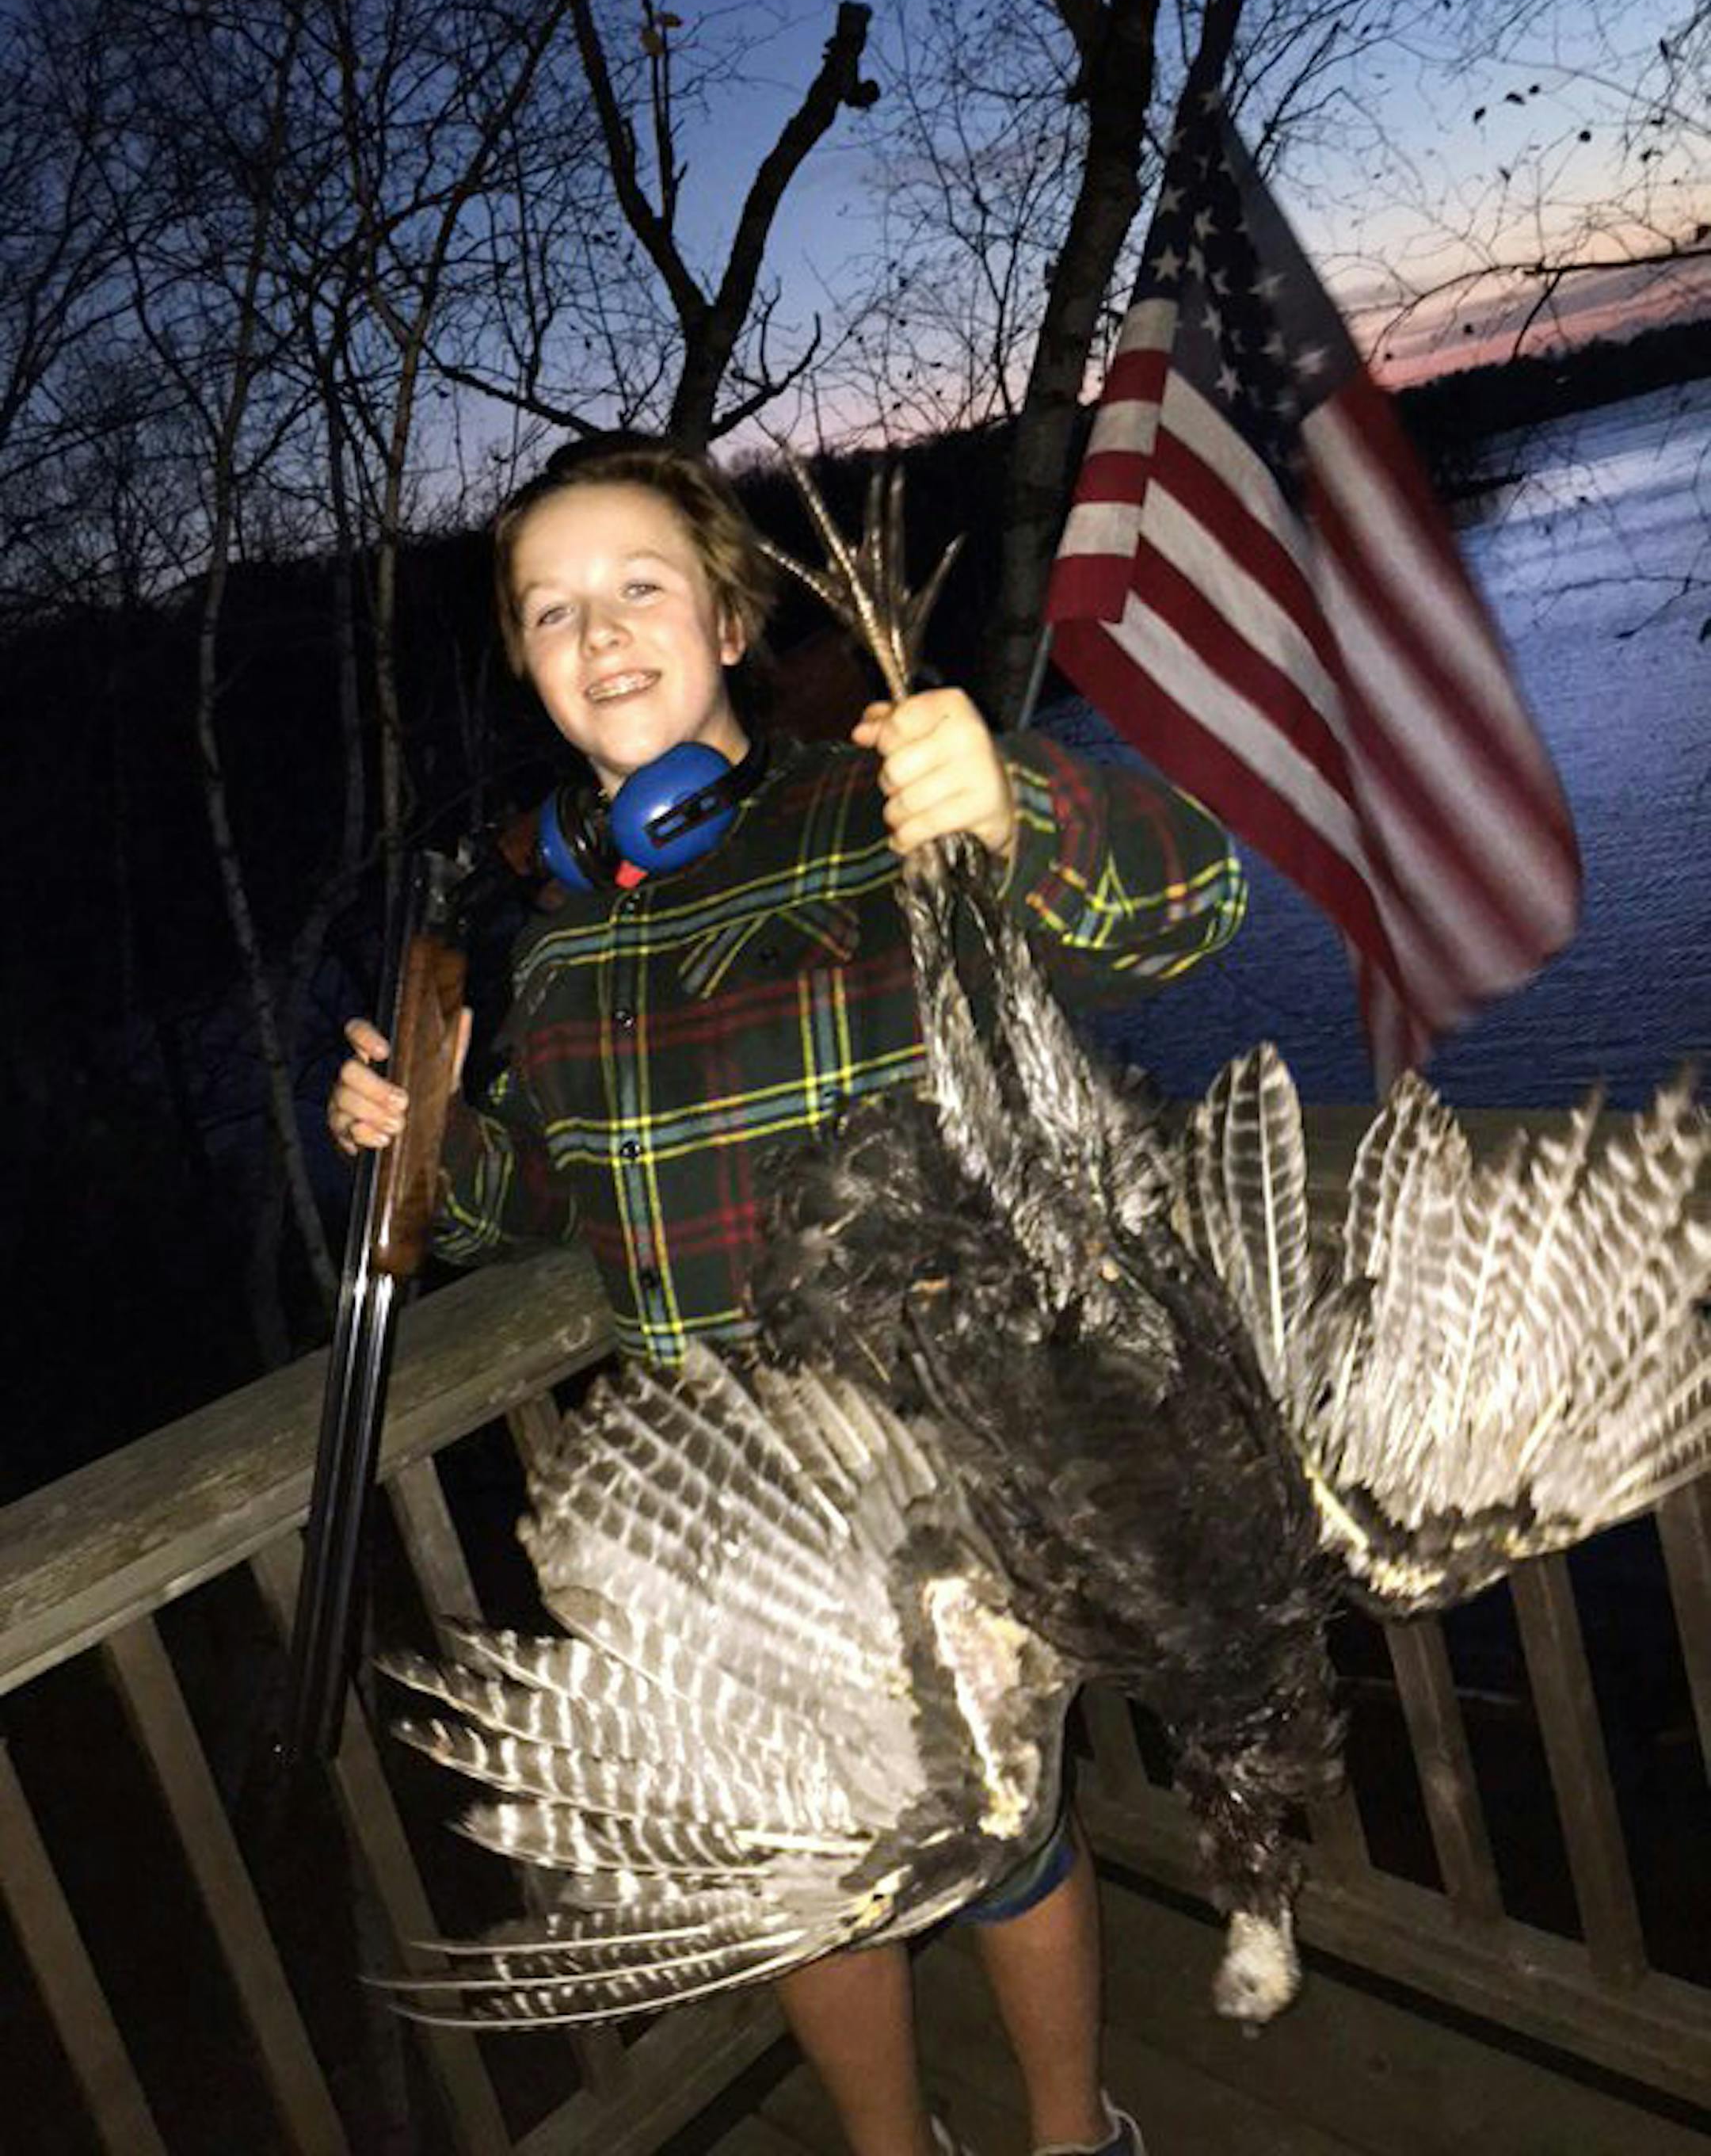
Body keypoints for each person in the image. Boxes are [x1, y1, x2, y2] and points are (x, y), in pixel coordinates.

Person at [329, 439, 1244, 2156]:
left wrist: (1020, 808)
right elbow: (550, 1209)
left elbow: (1190, 904)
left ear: (732, 615)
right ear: (527, 664)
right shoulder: (562, 943)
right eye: (551, 613)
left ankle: (1071, 2141)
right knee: (800, 1879)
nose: (597, 637)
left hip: (936, 1476)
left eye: (639, 590)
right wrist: (426, 1146)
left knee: (1006, 1841)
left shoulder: (874, 812)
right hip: (716, 1517)